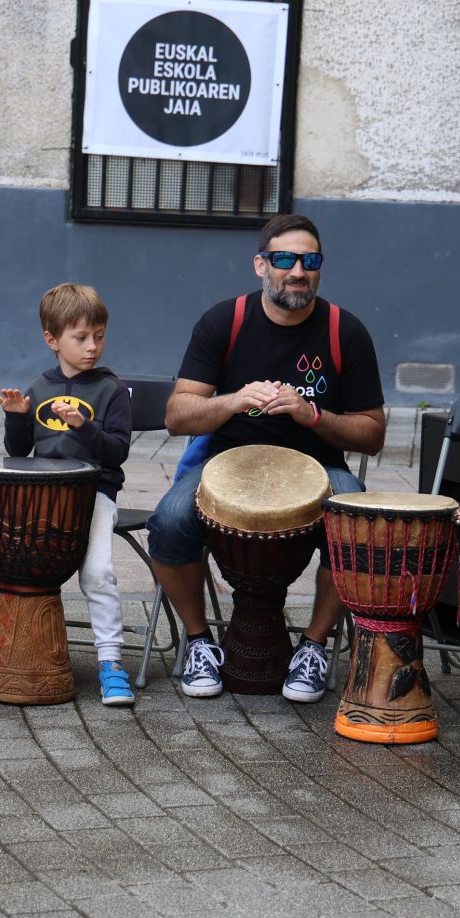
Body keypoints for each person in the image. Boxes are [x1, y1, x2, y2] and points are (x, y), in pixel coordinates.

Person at [146, 213, 387, 703]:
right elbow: (176, 415)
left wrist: (313, 415)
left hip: (319, 469)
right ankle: (198, 641)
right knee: (169, 520)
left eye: (309, 260)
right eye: (284, 259)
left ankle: (314, 647)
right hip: (226, 465)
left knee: (359, 522)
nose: (298, 270)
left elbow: (373, 434)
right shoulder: (224, 321)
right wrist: (232, 400)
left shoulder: (346, 332)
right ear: (261, 265)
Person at [0, 284, 135, 706]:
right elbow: (19, 453)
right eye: (80, 338)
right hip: (42, 497)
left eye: (99, 336)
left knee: (96, 572)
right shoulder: (39, 386)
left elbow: (118, 451)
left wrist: (83, 427)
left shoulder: (112, 390)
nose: (92, 347)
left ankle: (111, 661)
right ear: (52, 340)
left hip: (93, 495)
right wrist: (17, 418)